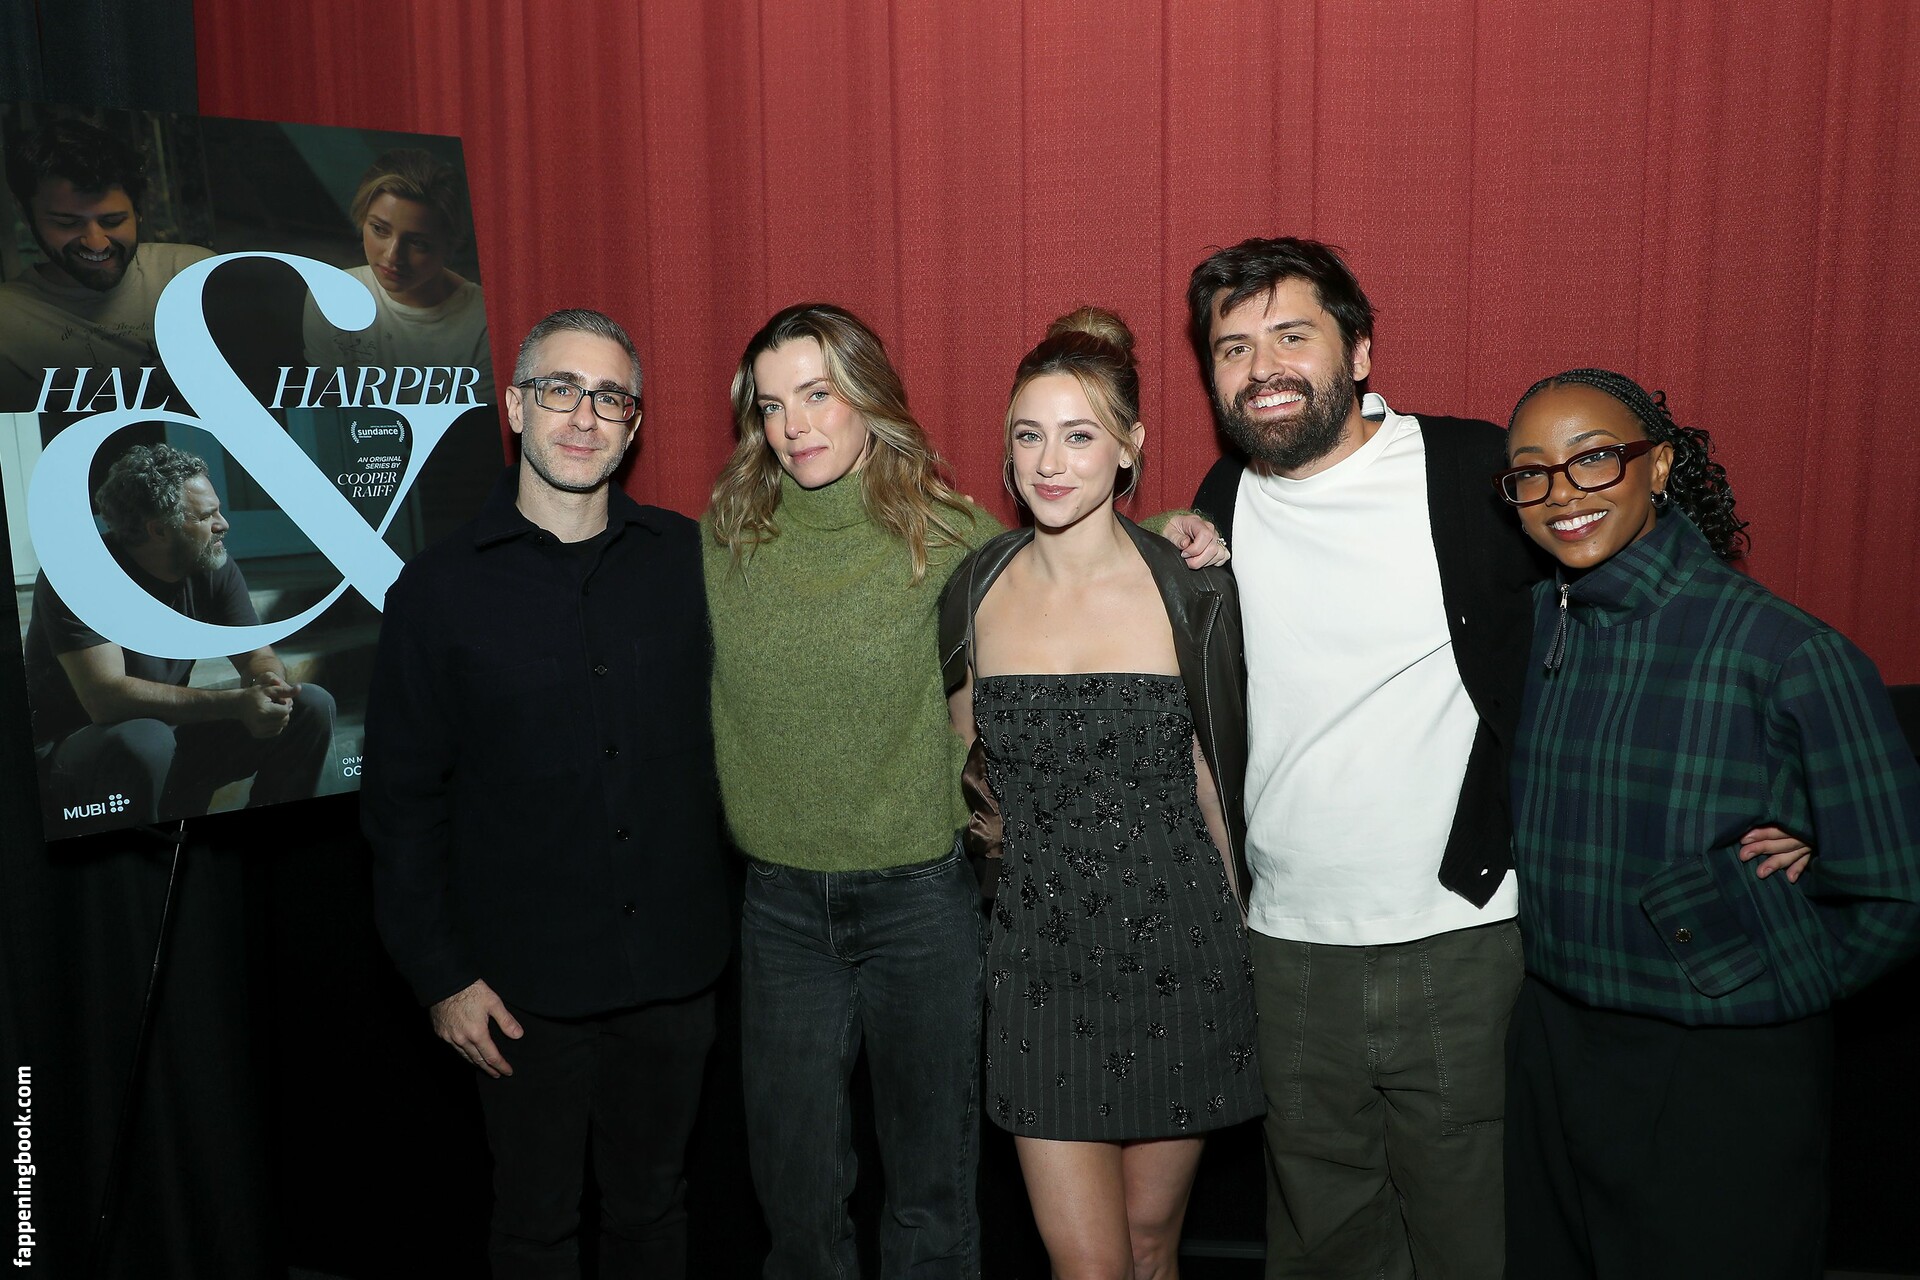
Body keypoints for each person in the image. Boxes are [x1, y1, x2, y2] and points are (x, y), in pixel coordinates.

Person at [1181, 237, 1806, 1277]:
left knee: (1476, 1234)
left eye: (1292, 335)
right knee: (1323, 1239)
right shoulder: (1221, 501)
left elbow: (1666, 612)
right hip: (1285, 948)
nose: (1263, 368)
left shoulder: (1473, 470)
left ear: (1361, 351)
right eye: (1233, 347)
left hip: (1464, 936)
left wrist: (1795, 790)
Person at [704, 301, 1228, 1278]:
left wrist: (1170, 532)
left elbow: (1070, 553)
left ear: (868, 396)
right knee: (795, 1196)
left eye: (817, 394)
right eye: (771, 405)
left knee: (933, 1195)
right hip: (781, 908)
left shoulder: (945, 533)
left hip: (925, 903)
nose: (794, 424)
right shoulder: (724, 537)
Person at [1496, 368, 1920, 1279]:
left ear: (1659, 467)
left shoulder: (1788, 652)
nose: (1562, 492)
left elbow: (1896, 894)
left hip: (1717, 1073)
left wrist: (1749, 967)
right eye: (1531, 473)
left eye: (1594, 459)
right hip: (1552, 1047)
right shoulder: (1529, 631)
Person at [361, 309, 729, 1278]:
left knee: (656, 1209)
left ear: (634, 424)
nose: (585, 415)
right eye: (561, 389)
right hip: (518, 993)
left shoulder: (689, 563)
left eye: (611, 397)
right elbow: (401, 805)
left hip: (675, 975)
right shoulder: (435, 592)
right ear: (517, 407)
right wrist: (441, 976)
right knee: (534, 1227)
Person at [939, 307, 1262, 1279]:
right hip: (1036, 962)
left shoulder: (1189, 589)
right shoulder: (974, 591)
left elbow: (1215, 780)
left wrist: (1251, 941)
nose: (1050, 462)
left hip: (1183, 950)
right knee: (1088, 1265)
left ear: (1130, 447)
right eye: (1028, 435)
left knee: (1153, 1245)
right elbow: (966, 781)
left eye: (1079, 436)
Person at [22, 443, 335, 830]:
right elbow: (105, 699)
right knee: (144, 739)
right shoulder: (81, 574)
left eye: (218, 510)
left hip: (165, 735)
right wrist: (235, 704)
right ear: (158, 529)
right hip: (80, 755)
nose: (223, 524)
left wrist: (268, 683)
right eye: (206, 516)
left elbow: (257, 655)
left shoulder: (210, 563)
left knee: (310, 705)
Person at [0, 116, 214, 412]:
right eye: (67, 223)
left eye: (112, 221)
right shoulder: (7, 320)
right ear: (25, 215)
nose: (96, 243)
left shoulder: (194, 274)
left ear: (138, 211)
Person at [302, 147, 494, 403]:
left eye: (417, 243)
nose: (393, 256)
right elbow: (327, 404)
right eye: (379, 229)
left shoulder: (484, 322)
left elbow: (481, 423)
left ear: (450, 245)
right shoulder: (330, 296)